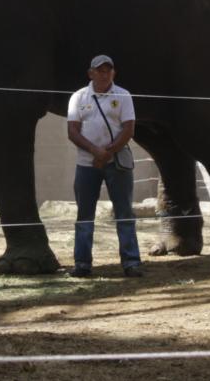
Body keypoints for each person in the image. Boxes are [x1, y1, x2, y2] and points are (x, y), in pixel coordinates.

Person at [65, 52, 142, 278]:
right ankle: (82, 263)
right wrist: (94, 151)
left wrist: (106, 152)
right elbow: (72, 131)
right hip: (85, 164)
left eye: (108, 70)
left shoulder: (124, 95)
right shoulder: (78, 97)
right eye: (100, 70)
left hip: (116, 163)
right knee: (84, 214)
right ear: (91, 73)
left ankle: (131, 261)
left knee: (124, 212)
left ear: (113, 72)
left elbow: (128, 129)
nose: (104, 73)